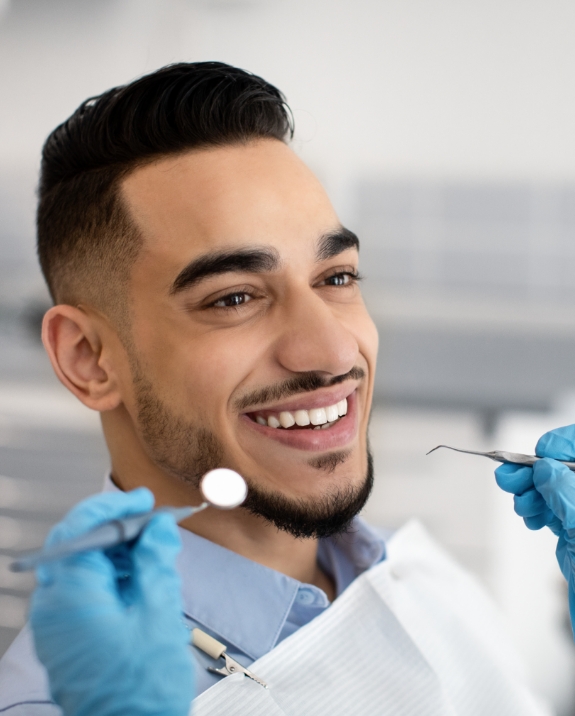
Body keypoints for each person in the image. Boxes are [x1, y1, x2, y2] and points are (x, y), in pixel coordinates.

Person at [0, 62, 556, 715]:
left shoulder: (413, 573)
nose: (330, 352)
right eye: (234, 297)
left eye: (336, 277)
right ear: (89, 359)